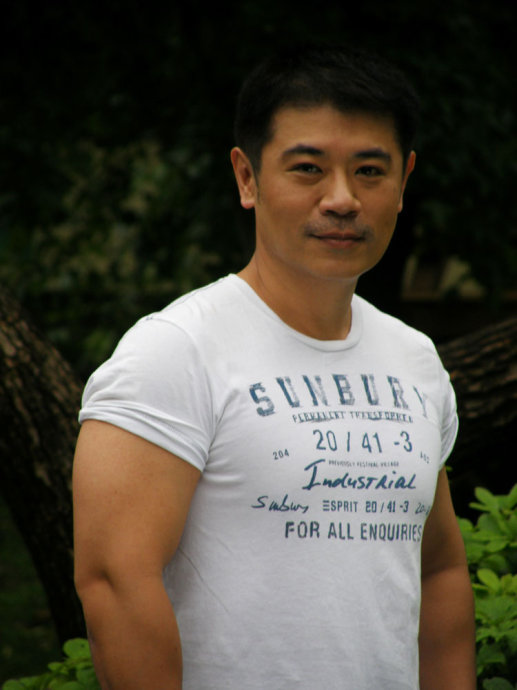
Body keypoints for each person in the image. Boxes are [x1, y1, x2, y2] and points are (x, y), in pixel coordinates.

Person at [73, 46, 476, 690]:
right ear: (247, 176)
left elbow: (439, 568)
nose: (342, 199)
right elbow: (115, 580)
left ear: (404, 181)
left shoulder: (415, 359)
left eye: (370, 170)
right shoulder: (176, 351)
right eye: (308, 168)